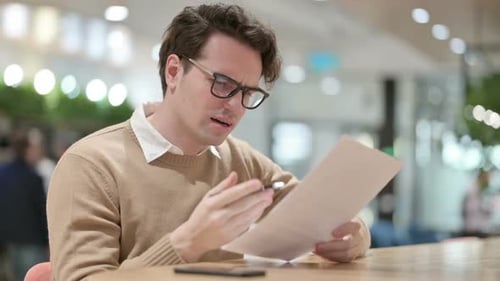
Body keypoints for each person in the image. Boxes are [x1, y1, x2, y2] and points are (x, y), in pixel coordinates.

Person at [47, 4, 371, 281]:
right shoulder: (92, 165)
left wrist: (355, 234)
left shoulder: (239, 160)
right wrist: (185, 244)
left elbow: (318, 211)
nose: (235, 104)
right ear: (174, 71)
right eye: (222, 83)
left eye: (247, 93)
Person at [0, 128, 49, 281]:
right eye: (36, 148)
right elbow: (42, 212)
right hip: (32, 241)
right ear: (27, 150)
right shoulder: (33, 178)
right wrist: (48, 240)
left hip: (8, 239)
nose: (39, 152)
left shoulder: (3, 172)